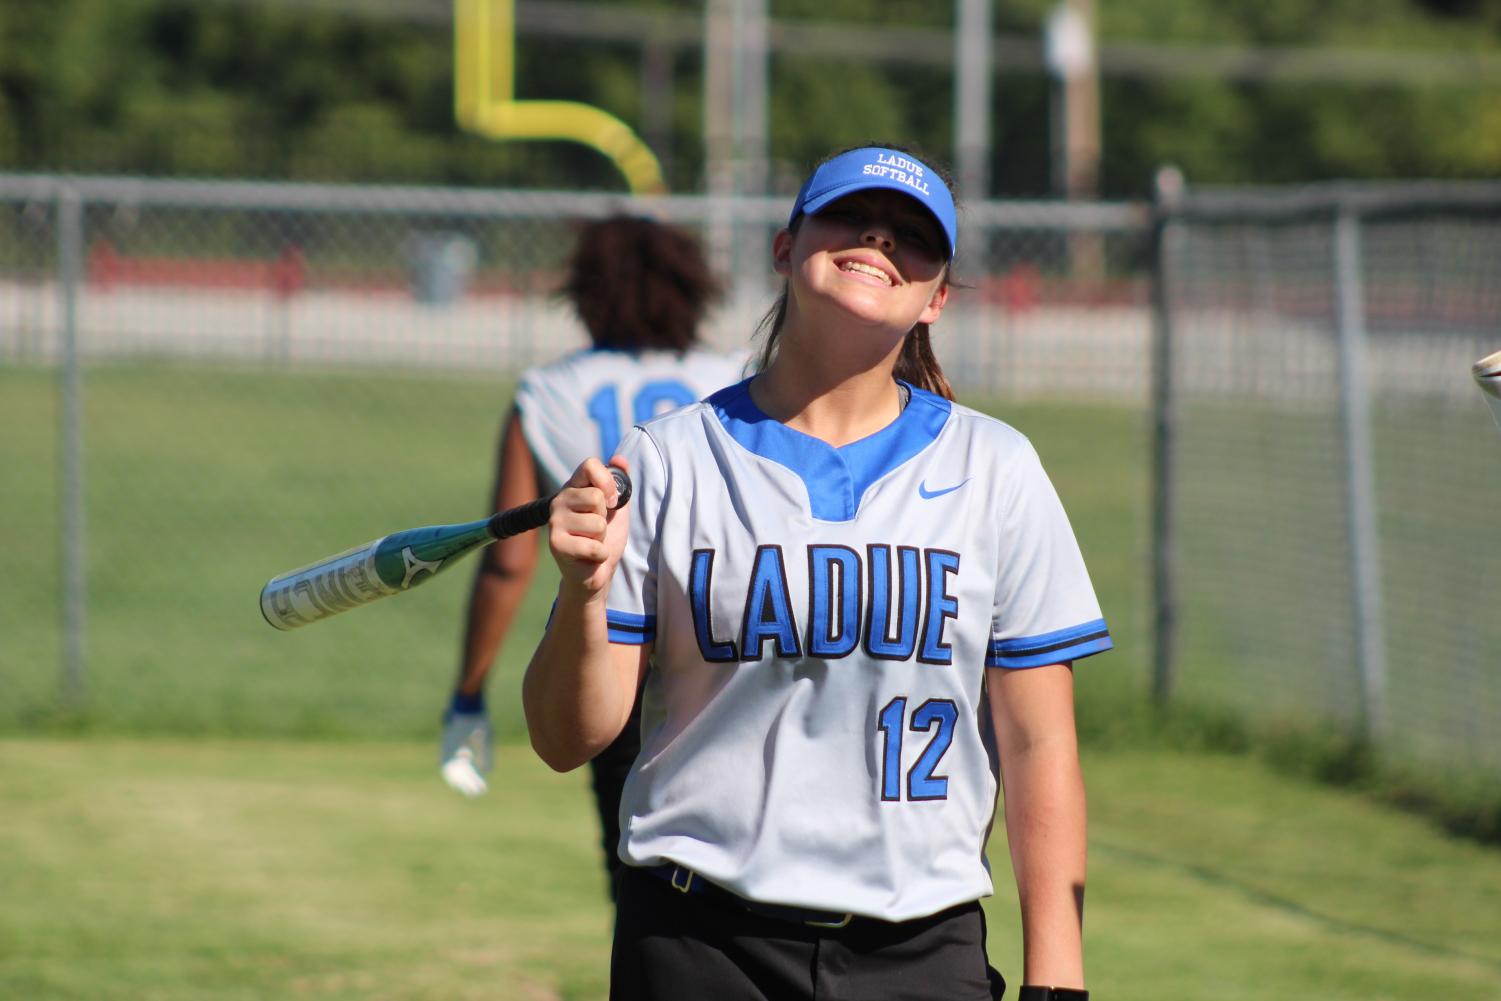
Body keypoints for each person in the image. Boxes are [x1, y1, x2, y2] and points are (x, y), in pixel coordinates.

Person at [524, 144, 1111, 1001]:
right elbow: (562, 738)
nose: (878, 236)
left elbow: (1037, 743)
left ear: (936, 297)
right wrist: (580, 592)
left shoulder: (996, 467)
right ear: (783, 247)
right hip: (699, 941)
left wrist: (1057, 981)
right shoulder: (667, 460)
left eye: (913, 235)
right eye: (848, 215)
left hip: (920, 945)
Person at [439, 214, 747, 898]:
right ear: (692, 288)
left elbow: (508, 562)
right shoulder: (738, 379)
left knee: (639, 871)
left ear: (584, 293)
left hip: (615, 648)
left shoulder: (549, 391)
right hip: (728, 644)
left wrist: (467, 693)